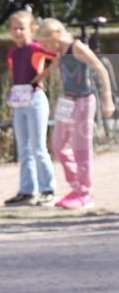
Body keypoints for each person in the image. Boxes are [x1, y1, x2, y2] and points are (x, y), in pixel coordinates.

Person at [36, 18, 115, 209]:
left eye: (46, 43)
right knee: (58, 144)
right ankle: (76, 185)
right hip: (67, 101)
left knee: (81, 148)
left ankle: (84, 193)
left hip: (83, 101)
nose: (47, 48)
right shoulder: (59, 52)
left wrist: (108, 99)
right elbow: (52, 68)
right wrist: (35, 80)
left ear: (55, 35)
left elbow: (100, 69)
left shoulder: (77, 47)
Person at [3, 11, 56, 206]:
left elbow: (58, 56)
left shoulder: (36, 48)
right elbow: (14, 74)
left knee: (38, 147)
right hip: (20, 102)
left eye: (22, 28)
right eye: (14, 28)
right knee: (23, 149)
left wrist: (42, 76)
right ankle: (27, 190)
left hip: (35, 100)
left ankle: (48, 188)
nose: (18, 32)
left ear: (31, 30)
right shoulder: (12, 53)